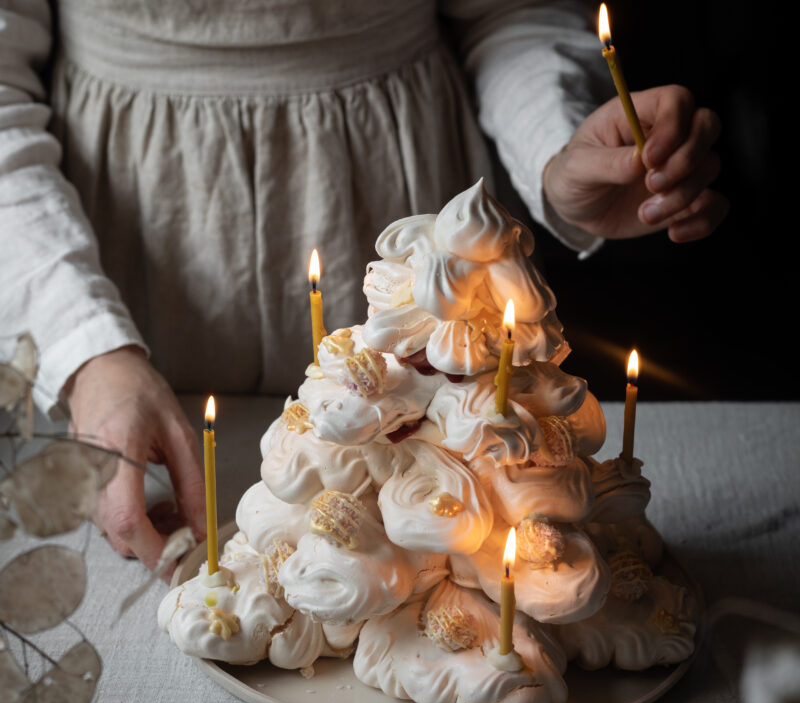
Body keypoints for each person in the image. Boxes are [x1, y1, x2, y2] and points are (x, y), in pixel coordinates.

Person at [0, 1, 727, 570]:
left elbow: (509, 12)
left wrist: (556, 147)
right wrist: (87, 350)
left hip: (401, 215)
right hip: (127, 264)